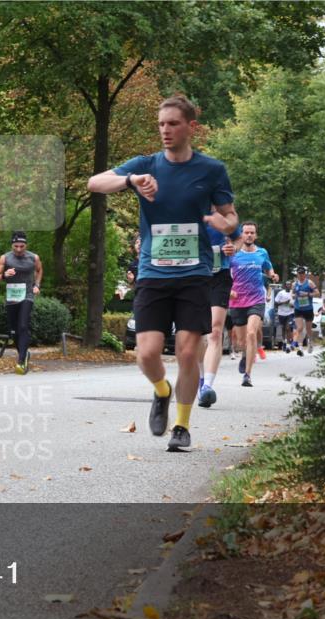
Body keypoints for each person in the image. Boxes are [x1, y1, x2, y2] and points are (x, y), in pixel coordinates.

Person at [88, 94, 238, 452]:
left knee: (188, 353)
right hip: (153, 272)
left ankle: (182, 426)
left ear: (191, 127)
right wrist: (131, 181)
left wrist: (226, 223)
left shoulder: (211, 169)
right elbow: (95, 182)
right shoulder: (146, 166)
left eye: (173, 123)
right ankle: (161, 391)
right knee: (147, 352)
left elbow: (231, 216)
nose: (165, 130)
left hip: (195, 272)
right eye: (161, 124)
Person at [196, 216, 240, 408]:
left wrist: (233, 248)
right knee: (197, 333)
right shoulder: (190, 209)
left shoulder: (224, 214)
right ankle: (201, 377)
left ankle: (207, 386)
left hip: (220, 276)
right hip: (194, 275)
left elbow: (237, 239)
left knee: (215, 331)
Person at [228, 222, 278, 387]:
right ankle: (244, 355)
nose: (249, 235)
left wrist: (272, 275)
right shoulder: (233, 254)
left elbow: (268, 268)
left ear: (255, 235)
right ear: (241, 235)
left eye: (252, 233)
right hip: (237, 300)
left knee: (251, 334)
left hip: (256, 299)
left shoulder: (262, 252)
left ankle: (247, 375)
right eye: (246, 232)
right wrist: (229, 290)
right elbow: (225, 275)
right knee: (241, 341)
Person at [0, 231, 43, 374]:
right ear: (12, 245)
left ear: (26, 245)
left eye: (22, 246)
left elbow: (39, 270)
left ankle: (21, 361)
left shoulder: (33, 258)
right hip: (12, 297)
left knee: (23, 325)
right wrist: (3, 275)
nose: (19, 249)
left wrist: (37, 285)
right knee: (13, 331)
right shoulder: (5, 258)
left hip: (27, 295)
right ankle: (24, 353)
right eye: (16, 246)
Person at [291, 267, 319, 355]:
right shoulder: (294, 284)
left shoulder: (309, 283)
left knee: (308, 329)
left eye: (302, 273)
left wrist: (307, 294)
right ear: (297, 274)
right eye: (299, 274)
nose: (301, 275)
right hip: (298, 308)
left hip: (308, 309)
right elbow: (292, 294)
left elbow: (317, 293)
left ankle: (310, 342)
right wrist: (294, 296)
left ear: (305, 274)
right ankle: (296, 345)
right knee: (299, 328)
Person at [274, 281, 296, 352]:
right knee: (283, 328)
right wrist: (285, 302)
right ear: (285, 286)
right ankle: (284, 342)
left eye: (290, 284)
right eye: (287, 284)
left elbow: (297, 303)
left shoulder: (293, 293)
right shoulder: (281, 293)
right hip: (281, 313)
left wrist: (294, 305)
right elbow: (276, 303)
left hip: (290, 313)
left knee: (288, 328)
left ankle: (289, 345)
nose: (289, 286)